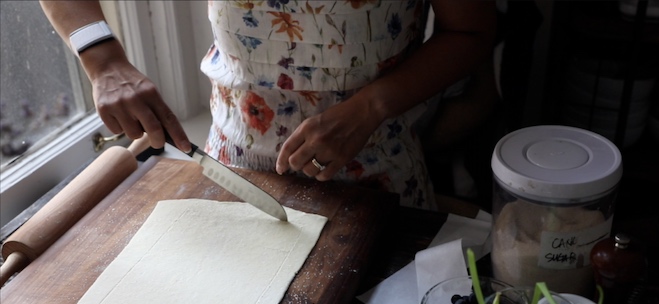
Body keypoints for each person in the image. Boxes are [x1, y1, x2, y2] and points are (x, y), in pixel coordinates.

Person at [40, 0, 497, 209]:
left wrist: (369, 108)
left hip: (378, 178)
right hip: (234, 174)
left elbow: (471, 31)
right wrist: (103, 59)